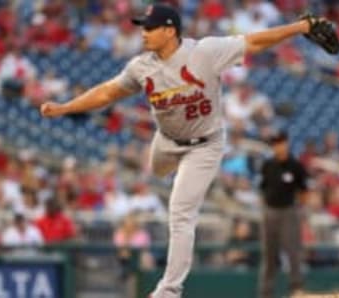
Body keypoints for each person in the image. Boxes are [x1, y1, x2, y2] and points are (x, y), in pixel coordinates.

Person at [40, 4, 320, 298]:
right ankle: (167, 170)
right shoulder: (141, 66)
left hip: (205, 144)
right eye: (143, 27)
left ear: (170, 30)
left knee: (180, 212)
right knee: (157, 169)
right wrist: (66, 107)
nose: (143, 33)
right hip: (166, 140)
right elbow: (108, 92)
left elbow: (255, 41)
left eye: (150, 27)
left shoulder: (205, 52)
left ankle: (169, 291)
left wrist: (300, 27)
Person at [259, 131, 308, 298]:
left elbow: (303, 191)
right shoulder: (267, 165)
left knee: (293, 252)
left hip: (288, 211)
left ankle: (297, 290)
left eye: (280, 142)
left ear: (286, 143)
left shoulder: (296, 165)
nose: (278, 146)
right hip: (270, 212)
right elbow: (263, 188)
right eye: (275, 143)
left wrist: (299, 209)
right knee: (269, 255)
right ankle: (266, 293)